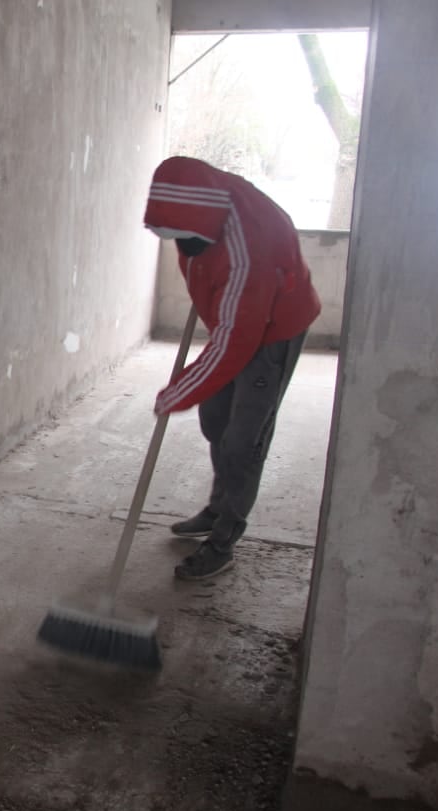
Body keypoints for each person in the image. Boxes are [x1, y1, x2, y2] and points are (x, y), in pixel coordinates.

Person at [142, 156, 321, 581]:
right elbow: (219, 300)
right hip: (238, 316)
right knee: (216, 419)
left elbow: (236, 343)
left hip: (275, 326)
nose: (183, 247)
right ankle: (217, 506)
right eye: (176, 239)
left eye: (189, 239)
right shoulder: (196, 210)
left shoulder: (248, 251)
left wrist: (179, 391)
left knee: (244, 439)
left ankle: (224, 540)